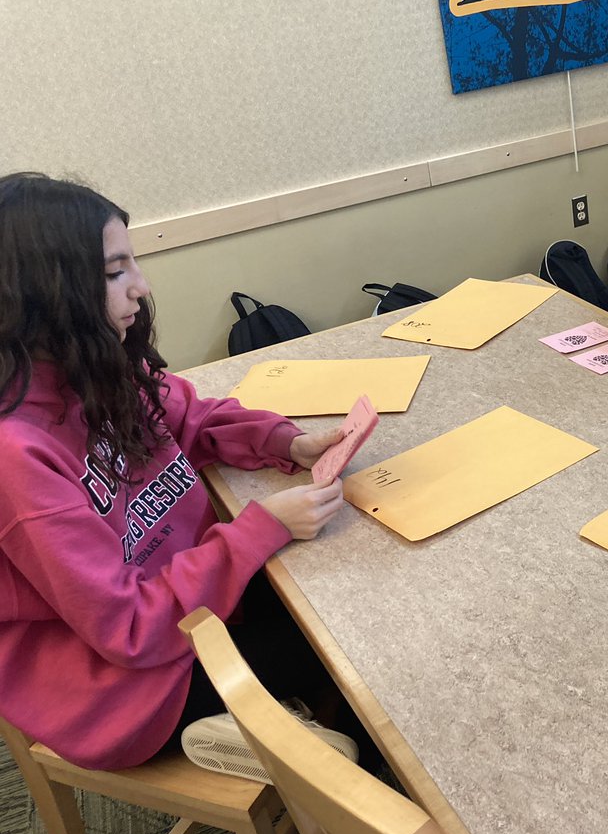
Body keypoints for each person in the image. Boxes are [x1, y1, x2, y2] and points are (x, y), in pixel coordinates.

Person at [0, 172, 360, 789]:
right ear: (45, 293)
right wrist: (262, 528)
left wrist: (285, 442)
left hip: (189, 608)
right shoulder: (17, 453)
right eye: (114, 272)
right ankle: (330, 815)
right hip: (123, 689)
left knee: (342, 598)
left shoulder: (96, 366)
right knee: (353, 650)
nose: (140, 286)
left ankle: (284, 728)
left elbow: (193, 417)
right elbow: (128, 627)